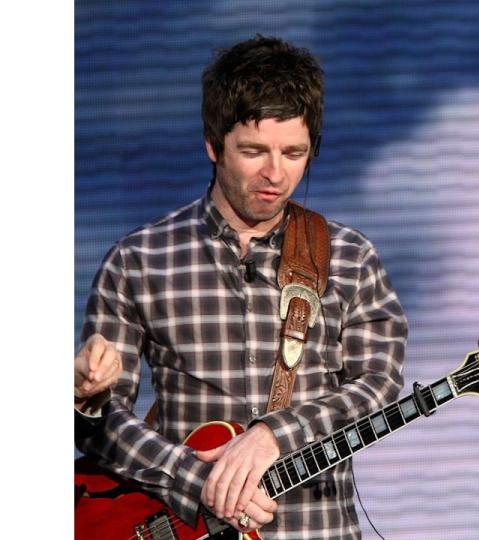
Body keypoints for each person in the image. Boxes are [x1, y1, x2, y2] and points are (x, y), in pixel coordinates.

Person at [75, 35, 407, 538]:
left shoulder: (351, 257)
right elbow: (101, 425)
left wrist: (276, 434)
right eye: (253, 151)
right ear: (213, 144)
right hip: (186, 525)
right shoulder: (138, 260)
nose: (276, 173)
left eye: (294, 152)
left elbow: (378, 386)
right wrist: (196, 480)